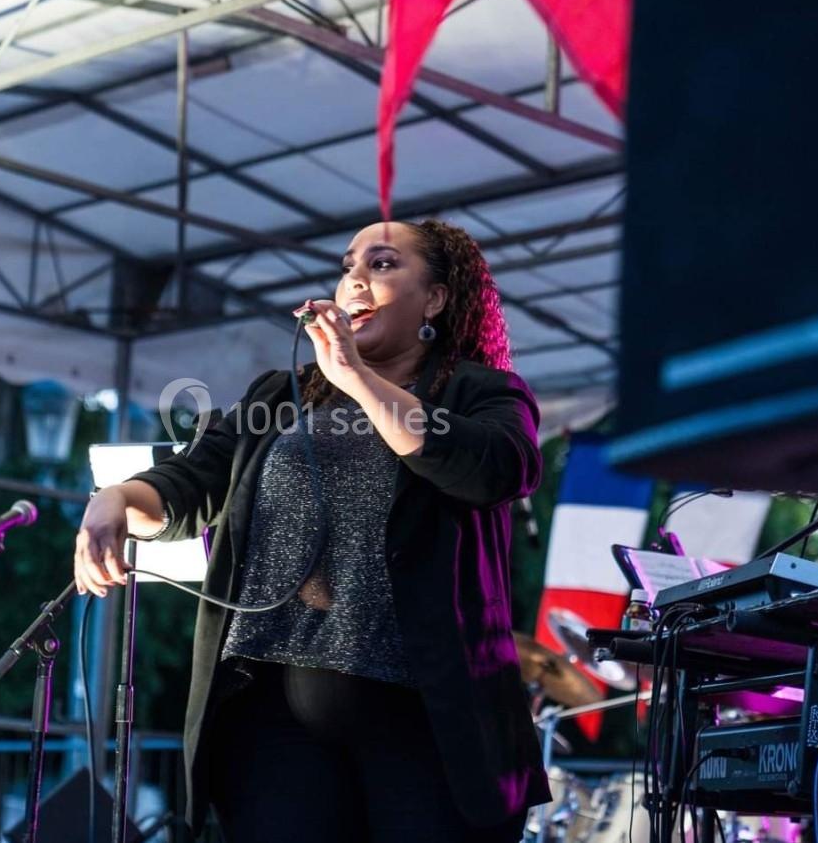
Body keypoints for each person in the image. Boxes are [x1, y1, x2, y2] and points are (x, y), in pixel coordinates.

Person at [74, 219, 550, 843]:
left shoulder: (480, 393)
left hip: (424, 713)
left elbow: (495, 469)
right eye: (349, 265)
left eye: (381, 265)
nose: (355, 279)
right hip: (270, 705)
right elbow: (191, 483)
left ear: (434, 299)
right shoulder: (281, 396)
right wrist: (114, 499)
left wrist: (356, 375)